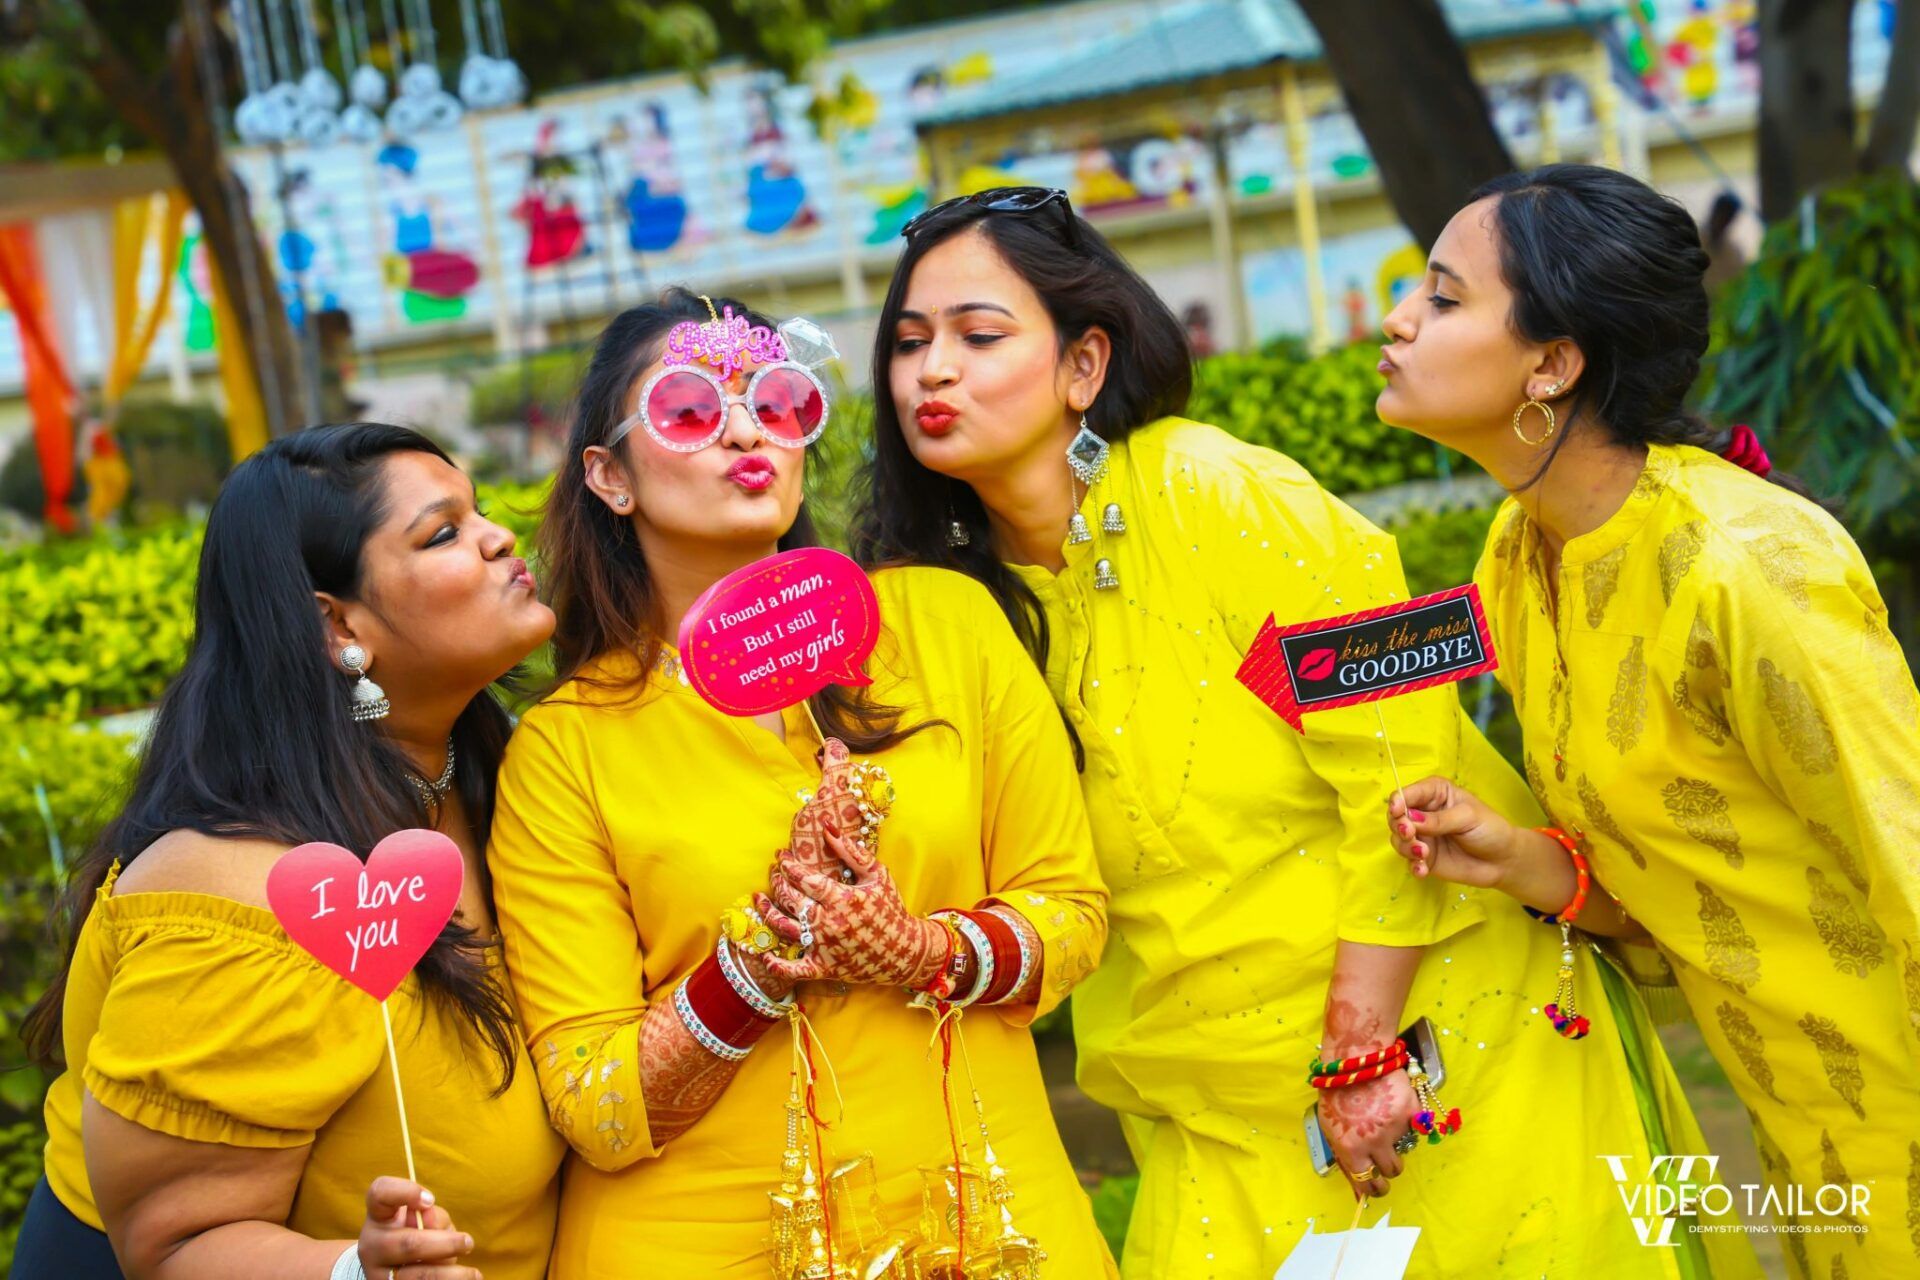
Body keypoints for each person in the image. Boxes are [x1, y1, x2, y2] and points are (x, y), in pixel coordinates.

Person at [850, 186, 1759, 1279]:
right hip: (1205, 1112)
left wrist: (1363, 1044)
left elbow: (1397, 757)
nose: (931, 371)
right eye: (908, 344)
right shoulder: (941, 602)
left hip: (1442, 1058)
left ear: (1085, 365)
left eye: (978, 334)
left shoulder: (1219, 495)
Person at [485, 288, 1114, 1276]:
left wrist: (926, 948)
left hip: (994, 1226)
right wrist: (755, 962)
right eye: (691, 408)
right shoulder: (565, 749)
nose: (746, 430)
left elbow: (1073, 911)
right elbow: (592, 1103)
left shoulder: (943, 624)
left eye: (776, 400)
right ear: (609, 476)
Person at [1375, 163, 1920, 1280]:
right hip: (1802, 1137)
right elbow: (1691, 881)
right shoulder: (1519, 561)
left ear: (1554, 363)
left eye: (1442, 296)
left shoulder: (1750, 567)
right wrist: (1524, 859)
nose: (1396, 319)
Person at [13, 424, 564, 1280]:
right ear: (335, 623)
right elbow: (176, 1243)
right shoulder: (239, 899)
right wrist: (358, 1269)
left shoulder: (487, 776)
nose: (501, 537)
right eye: (445, 532)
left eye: (481, 509)